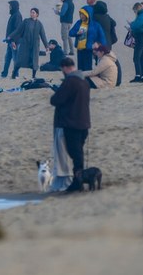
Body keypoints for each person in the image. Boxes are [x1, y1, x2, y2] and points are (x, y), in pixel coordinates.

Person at [48, 56, 90, 192]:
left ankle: (77, 182)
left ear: (65, 68)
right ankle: (79, 179)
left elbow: (56, 100)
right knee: (78, 153)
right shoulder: (84, 81)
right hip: (84, 122)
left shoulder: (71, 81)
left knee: (75, 153)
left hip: (72, 123)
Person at [8, 7, 49, 80]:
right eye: (31, 12)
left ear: (37, 14)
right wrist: (11, 37)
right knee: (19, 60)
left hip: (35, 45)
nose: (32, 14)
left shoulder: (39, 24)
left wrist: (47, 46)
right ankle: (14, 74)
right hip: (25, 44)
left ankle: (34, 76)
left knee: (34, 61)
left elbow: (43, 35)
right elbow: (18, 31)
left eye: (33, 13)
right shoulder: (26, 21)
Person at [128, 2, 143, 83]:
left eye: (135, 11)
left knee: (136, 58)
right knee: (142, 58)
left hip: (141, 38)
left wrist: (131, 24)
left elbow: (137, 25)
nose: (135, 13)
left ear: (137, 8)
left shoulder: (142, 15)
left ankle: (138, 76)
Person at [2, 0, 23, 78]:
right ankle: (4, 74)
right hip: (10, 41)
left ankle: (16, 74)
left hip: (14, 41)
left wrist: (13, 41)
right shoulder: (13, 14)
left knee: (15, 58)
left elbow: (17, 30)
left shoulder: (17, 15)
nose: (9, 7)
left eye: (10, 6)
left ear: (14, 6)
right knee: (7, 58)